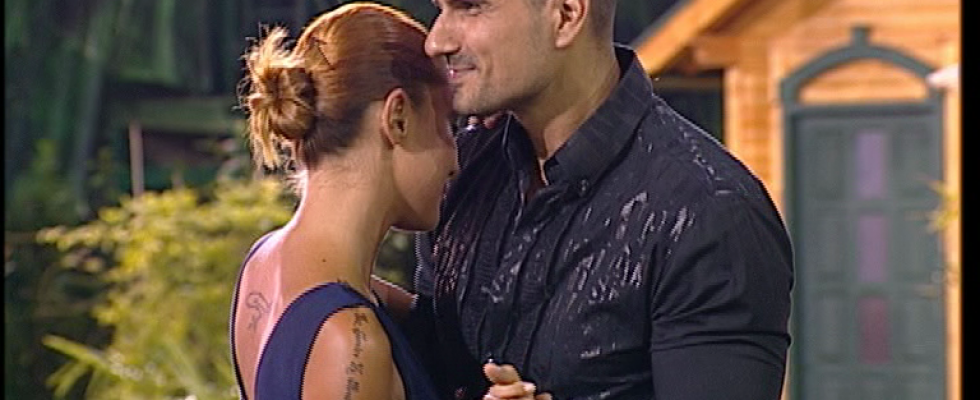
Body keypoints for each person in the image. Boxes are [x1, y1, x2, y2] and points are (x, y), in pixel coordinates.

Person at [374, 0, 795, 398]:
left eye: (470, 6)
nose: (437, 41)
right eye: (441, 8)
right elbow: (435, 357)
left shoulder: (709, 212)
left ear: (566, 14)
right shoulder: (463, 170)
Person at [228, 3, 546, 399]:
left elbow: (437, 326)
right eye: (445, 126)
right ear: (397, 119)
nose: (455, 160)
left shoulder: (263, 263)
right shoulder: (349, 342)